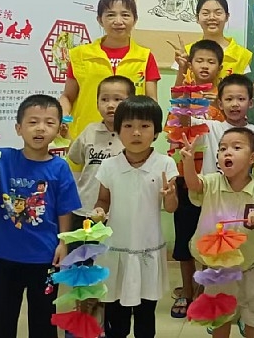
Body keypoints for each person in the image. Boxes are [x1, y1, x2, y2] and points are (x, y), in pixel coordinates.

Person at [0, 95, 81, 338]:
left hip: (44, 257)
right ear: (19, 128)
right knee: (0, 317)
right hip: (5, 255)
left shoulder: (60, 167)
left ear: (59, 130)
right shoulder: (2, 159)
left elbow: (65, 208)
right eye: (33, 122)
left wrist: (63, 242)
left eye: (49, 123)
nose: (41, 128)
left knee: (43, 317)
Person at [169, 72, 254, 318]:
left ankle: (236, 297)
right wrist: (185, 87)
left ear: (251, 103)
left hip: (240, 201)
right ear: (219, 103)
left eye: (241, 99)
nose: (235, 104)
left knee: (237, 247)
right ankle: (207, 292)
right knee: (210, 244)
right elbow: (182, 118)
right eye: (229, 99)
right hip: (211, 196)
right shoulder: (211, 126)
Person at [180, 127, 254, 338]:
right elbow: (193, 184)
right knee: (221, 316)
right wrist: (188, 162)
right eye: (222, 149)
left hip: (252, 267)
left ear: (252, 158)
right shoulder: (212, 182)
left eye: (236, 148)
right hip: (219, 269)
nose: (227, 152)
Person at [91, 96, 178, 338]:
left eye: (144, 126)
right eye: (128, 126)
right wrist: (99, 212)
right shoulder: (109, 166)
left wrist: (171, 195)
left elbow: (171, 207)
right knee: (115, 314)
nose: (136, 132)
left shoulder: (165, 164)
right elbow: (103, 200)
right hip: (116, 250)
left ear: (156, 131)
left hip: (148, 250)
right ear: (118, 130)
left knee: (145, 315)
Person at [60, 0, 160, 141]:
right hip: (85, 137)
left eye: (125, 15)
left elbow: (151, 100)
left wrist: (152, 129)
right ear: (100, 20)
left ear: (135, 19)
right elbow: (68, 96)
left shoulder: (145, 57)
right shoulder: (79, 55)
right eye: (111, 15)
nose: (118, 21)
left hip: (130, 138)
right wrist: (63, 117)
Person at [67, 75, 135, 230]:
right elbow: (75, 157)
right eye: (104, 99)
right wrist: (66, 136)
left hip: (120, 213)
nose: (110, 105)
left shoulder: (134, 136)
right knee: (82, 246)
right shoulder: (90, 131)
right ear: (97, 104)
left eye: (117, 99)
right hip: (85, 210)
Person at [170, 0, 253, 79]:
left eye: (218, 13)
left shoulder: (241, 55)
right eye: (205, 13)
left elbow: (244, 87)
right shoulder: (186, 52)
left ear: (227, 17)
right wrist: (182, 67)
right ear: (197, 18)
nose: (212, 17)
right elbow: (179, 88)